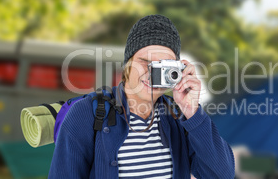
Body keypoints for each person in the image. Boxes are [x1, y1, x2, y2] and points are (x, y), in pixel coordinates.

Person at [48, 14, 235, 178]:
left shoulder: (180, 117)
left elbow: (221, 175)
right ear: (127, 64)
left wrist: (193, 112)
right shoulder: (85, 114)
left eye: (163, 68)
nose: (151, 74)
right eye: (145, 63)